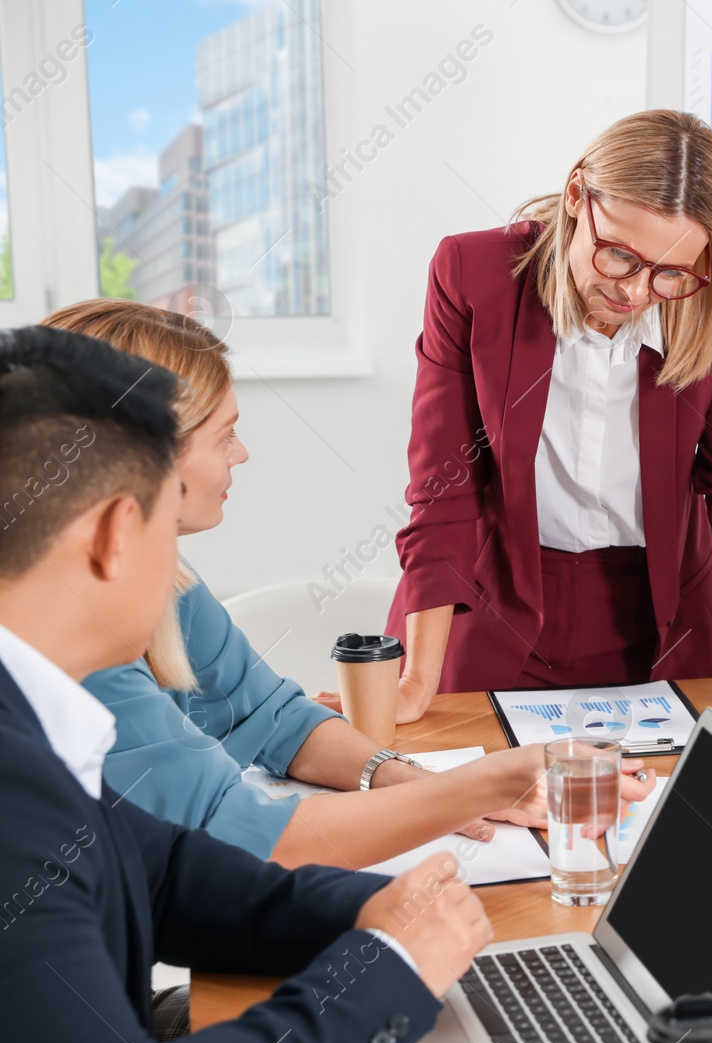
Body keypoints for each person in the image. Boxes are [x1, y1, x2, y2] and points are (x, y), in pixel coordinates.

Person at [0, 324, 483, 1043]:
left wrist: (386, 910)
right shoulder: (15, 801)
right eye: (169, 519)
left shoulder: (36, 720)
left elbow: (165, 873)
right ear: (114, 537)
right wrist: (393, 967)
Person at [50, 299, 652, 868]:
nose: (243, 455)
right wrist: (482, 783)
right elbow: (239, 832)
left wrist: (425, 784)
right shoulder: (69, 633)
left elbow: (272, 715)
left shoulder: (160, 580)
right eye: (224, 435)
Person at [388, 109, 712, 719]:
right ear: (574, 195)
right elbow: (443, 489)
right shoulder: (473, 275)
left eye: (670, 274)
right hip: (494, 609)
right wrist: (417, 677)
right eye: (619, 256)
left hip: (662, 619)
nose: (636, 294)